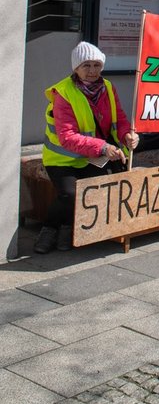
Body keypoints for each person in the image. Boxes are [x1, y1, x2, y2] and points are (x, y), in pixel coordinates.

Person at [34, 42, 139, 253]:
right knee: (70, 194)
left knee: (97, 189)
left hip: (91, 157)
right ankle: (50, 228)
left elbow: (119, 118)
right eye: (86, 65)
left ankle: (67, 228)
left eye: (96, 65)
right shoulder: (63, 93)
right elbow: (67, 137)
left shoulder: (108, 87)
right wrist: (102, 147)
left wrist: (128, 135)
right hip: (62, 159)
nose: (92, 71)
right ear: (76, 68)